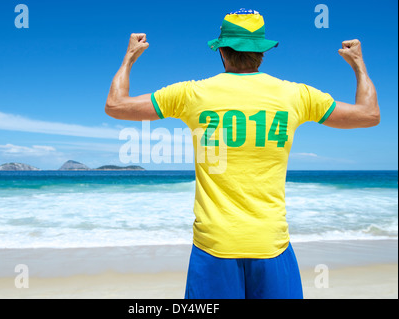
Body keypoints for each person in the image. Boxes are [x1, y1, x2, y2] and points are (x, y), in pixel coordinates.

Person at [105, 9, 380, 299]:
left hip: (213, 247)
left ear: (222, 51)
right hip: (270, 245)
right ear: (262, 52)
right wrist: (358, 65)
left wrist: (130, 58)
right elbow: (368, 114)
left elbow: (115, 104)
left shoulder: (192, 94)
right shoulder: (296, 95)